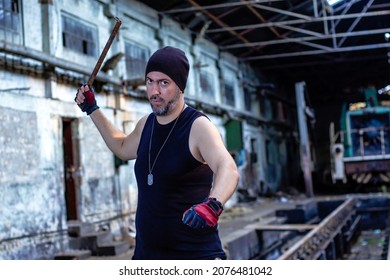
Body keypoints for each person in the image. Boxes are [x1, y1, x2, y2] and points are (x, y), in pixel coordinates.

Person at [74, 46, 239, 260]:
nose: (154, 91)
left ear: (180, 86)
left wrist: (213, 204)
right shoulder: (147, 124)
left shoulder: (197, 126)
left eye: (164, 83)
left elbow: (228, 168)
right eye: (149, 81)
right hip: (147, 256)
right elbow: (122, 147)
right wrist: (92, 109)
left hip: (193, 257)